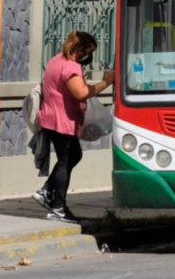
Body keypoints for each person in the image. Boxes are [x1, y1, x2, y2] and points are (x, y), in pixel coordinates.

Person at [32, 30, 115, 223]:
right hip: (62, 122)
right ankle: (58, 208)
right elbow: (81, 93)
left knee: (74, 155)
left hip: (52, 119)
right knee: (65, 162)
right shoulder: (71, 67)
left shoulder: (55, 60)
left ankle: (46, 191)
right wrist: (106, 82)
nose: (89, 56)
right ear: (79, 49)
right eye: (88, 51)